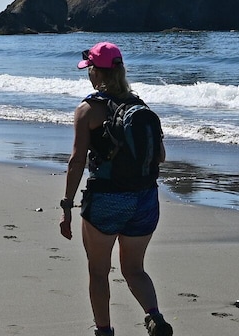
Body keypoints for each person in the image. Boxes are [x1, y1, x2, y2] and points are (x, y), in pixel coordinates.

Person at [60, 41, 172, 336]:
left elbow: (77, 161)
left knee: (98, 272)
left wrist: (66, 205)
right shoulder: (140, 106)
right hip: (145, 199)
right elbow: (160, 156)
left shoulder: (88, 110)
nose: (88, 75)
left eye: (90, 69)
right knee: (134, 269)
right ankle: (155, 317)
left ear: (97, 71)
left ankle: (104, 331)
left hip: (107, 200)